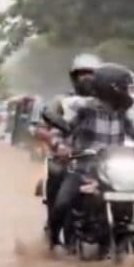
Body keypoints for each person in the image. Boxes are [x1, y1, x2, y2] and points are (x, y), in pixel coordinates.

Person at [51, 64, 134, 250]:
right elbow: (63, 129)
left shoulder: (120, 114)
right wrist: (60, 145)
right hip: (85, 169)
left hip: (114, 173)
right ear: (112, 88)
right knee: (62, 204)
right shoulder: (85, 111)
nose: (128, 92)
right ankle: (53, 241)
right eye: (125, 87)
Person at [39, 53, 102, 248]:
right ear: (74, 77)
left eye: (90, 73)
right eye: (81, 73)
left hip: (100, 158)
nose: (86, 78)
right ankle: (53, 230)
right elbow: (42, 128)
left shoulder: (108, 101)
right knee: (57, 175)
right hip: (68, 157)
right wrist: (58, 145)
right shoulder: (61, 101)